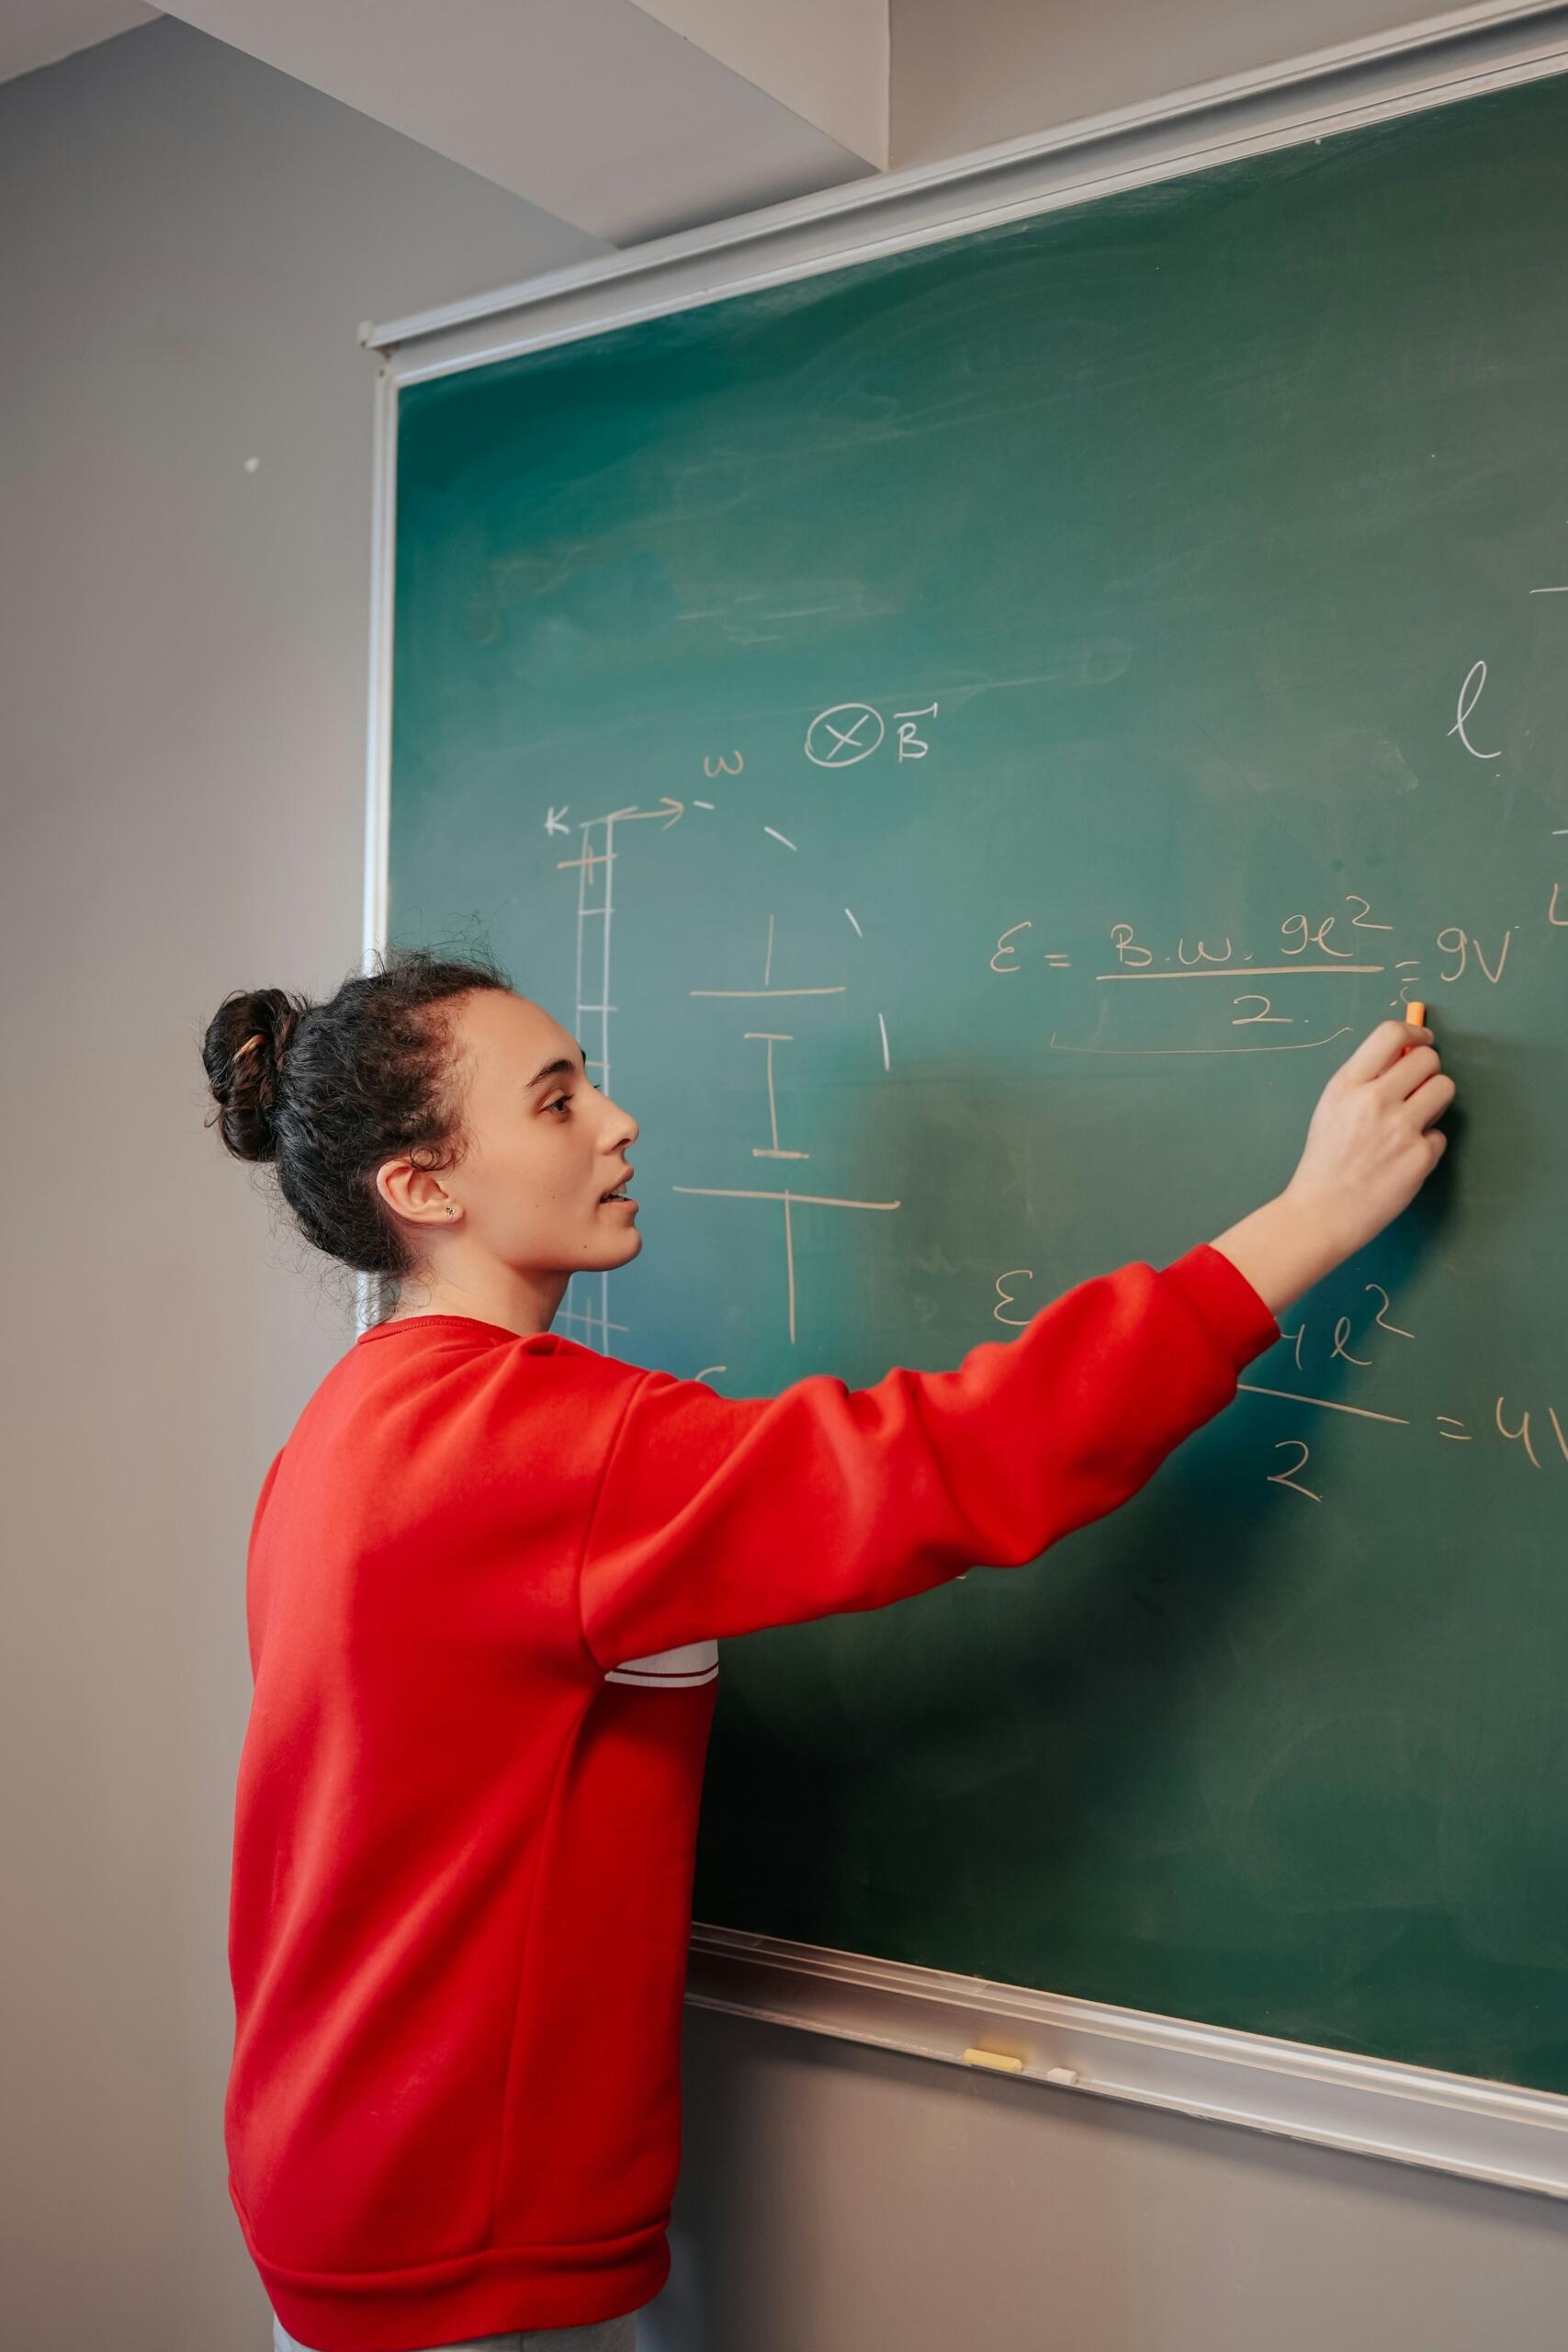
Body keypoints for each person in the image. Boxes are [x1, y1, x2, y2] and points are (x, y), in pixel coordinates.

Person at [202, 943, 1453, 2352]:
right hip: (456, 2233)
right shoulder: (520, 1445)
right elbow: (957, 1460)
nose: (617, 1121)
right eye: (556, 1101)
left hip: (365, 2169)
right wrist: (1313, 1216)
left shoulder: (359, 1425)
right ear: (423, 1188)